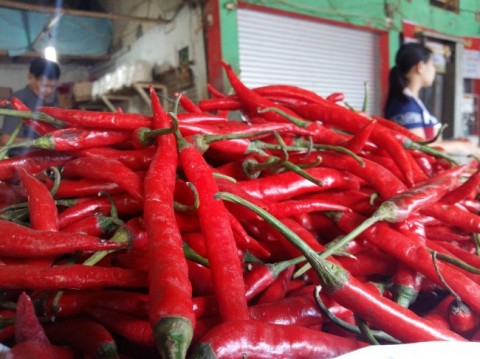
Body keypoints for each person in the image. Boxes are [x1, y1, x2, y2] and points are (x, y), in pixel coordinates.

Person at [0, 57, 61, 151]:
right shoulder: (18, 99)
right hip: (22, 158)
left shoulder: (52, 98)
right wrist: (44, 142)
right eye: (44, 85)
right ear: (30, 78)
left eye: (53, 86)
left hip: (46, 156)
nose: (48, 91)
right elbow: (6, 139)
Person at [384, 42, 441, 140]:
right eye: (432, 64)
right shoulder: (404, 105)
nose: (434, 70)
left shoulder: (413, 101)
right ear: (420, 67)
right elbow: (419, 146)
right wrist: (461, 146)